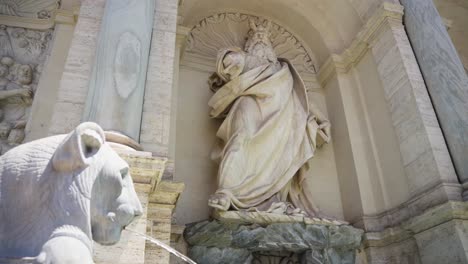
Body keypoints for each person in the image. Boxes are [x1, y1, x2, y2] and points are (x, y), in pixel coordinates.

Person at [207, 20, 331, 217]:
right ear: (249, 45)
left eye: (264, 39)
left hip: (282, 117)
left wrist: (322, 118)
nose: (261, 41)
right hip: (250, 108)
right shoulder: (247, 60)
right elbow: (228, 63)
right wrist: (232, 59)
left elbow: (302, 97)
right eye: (257, 38)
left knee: (283, 154)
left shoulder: (283, 70)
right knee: (239, 141)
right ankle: (227, 191)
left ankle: (271, 196)